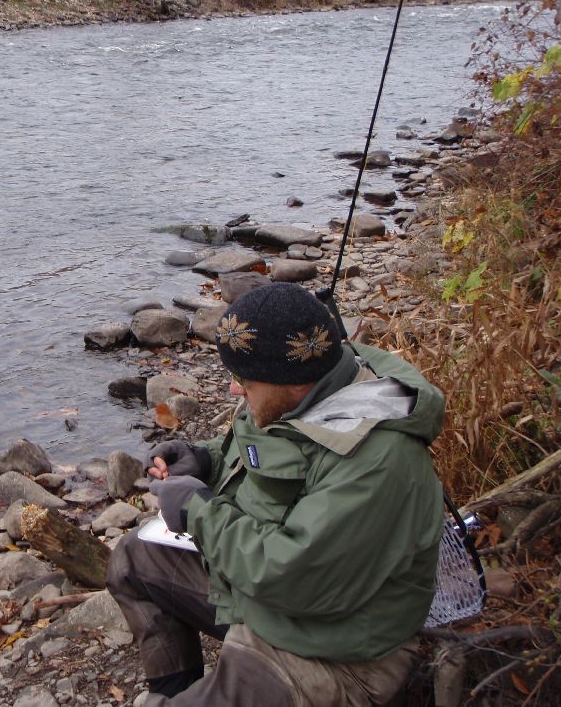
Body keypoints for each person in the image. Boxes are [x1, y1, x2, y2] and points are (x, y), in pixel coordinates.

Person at [105, 283, 446, 706]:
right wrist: (206, 459)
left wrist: (199, 513)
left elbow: (297, 579)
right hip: (273, 601)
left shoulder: (378, 456)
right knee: (133, 559)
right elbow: (270, 454)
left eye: (243, 379)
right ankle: (176, 693)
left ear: (292, 382)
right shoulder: (304, 390)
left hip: (335, 650)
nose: (234, 390)